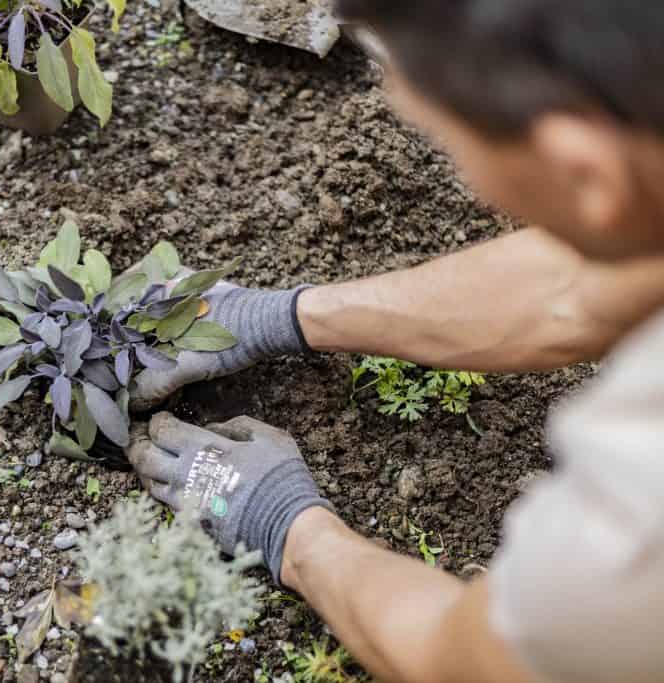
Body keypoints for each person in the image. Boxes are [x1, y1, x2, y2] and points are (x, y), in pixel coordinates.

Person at [124, 2, 664, 682]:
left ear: (585, 169)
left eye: (451, 139)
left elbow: (473, 659)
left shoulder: (645, 503)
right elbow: (593, 282)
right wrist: (276, 316)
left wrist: (288, 527)